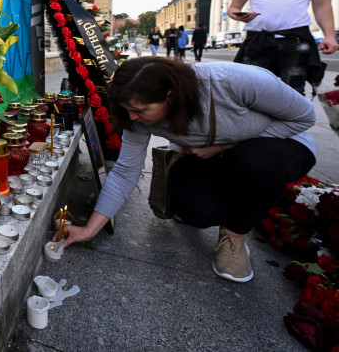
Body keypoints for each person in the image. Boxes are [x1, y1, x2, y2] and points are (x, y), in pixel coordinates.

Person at [59, 57, 317, 283]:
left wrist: (223, 146)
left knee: (256, 163)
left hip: (277, 145)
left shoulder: (233, 81)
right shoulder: (134, 114)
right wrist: (89, 229)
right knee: (196, 211)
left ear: (170, 95)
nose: (133, 118)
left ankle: (235, 236)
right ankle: (236, 199)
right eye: (128, 111)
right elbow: (126, 171)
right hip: (207, 156)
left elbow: (304, 117)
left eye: (140, 111)